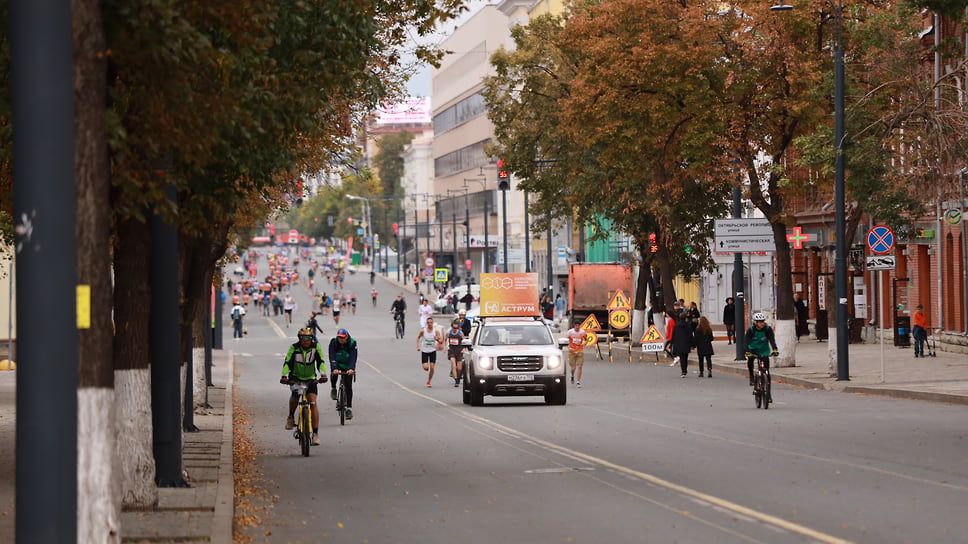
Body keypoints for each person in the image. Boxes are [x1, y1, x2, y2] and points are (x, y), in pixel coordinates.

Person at [281, 328, 327, 446]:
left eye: (308, 338)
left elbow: (320, 362)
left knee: (313, 403)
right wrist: (284, 375)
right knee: (295, 397)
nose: (305, 341)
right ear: (299, 338)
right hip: (296, 378)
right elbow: (287, 362)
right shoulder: (294, 347)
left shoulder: (316, 347)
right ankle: (291, 416)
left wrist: (323, 375)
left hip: (311, 379)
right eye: (303, 338)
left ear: (311, 339)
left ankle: (315, 434)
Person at [745, 312, 778, 396]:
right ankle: (752, 377)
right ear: (755, 323)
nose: (761, 323)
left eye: (762, 321)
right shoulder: (751, 330)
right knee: (750, 360)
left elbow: (772, 340)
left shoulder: (767, 329)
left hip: (764, 350)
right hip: (753, 349)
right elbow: (745, 342)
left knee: (767, 371)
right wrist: (747, 352)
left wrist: (775, 349)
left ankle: (768, 393)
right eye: (759, 322)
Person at [328, 328, 358, 419]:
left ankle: (349, 408)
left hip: (348, 365)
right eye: (339, 337)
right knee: (334, 374)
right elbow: (331, 356)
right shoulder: (333, 342)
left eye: (343, 338)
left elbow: (353, 357)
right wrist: (334, 368)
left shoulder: (352, 343)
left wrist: (351, 369)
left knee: (348, 386)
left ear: (346, 337)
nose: (341, 339)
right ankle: (333, 388)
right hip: (337, 363)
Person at [417, 317, 442, 387]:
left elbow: (441, 341)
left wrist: (437, 339)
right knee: (426, 368)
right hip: (425, 351)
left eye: (431, 322)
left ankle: (429, 381)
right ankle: (426, 368)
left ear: (433, 323)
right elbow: (418, 338)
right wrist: (418, 346)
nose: (430, 324)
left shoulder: (436, 331)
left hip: (432, 351)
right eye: (428, 323)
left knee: (432, 367)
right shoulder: (423, 331)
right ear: (426, 324)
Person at [566, 319, 589, 387]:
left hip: (580, 351)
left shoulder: (582, 332)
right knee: (573, 368)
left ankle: (578, 382)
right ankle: (572, 375)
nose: (577, 327)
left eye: (578, 325)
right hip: (572, 351)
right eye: (576, 325)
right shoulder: (570, 332)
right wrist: (568, 347)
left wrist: (584, 344)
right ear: (574, 326)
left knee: (580, 366)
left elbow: (587, 339)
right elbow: (566, 341)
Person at [670, 311, 694, 377]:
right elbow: (690, 335)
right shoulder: (688, 325)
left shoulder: (676, 326)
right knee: (685, 357)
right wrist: (692, 344)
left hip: (679, 344)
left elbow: (674, 335)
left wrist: (671, 344)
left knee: (681, 358)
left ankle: (683, 371)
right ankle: (685, 370)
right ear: (685, 318)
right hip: (686, 344)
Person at [446, 319, 465, 387]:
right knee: (454, 365)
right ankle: (456, 380)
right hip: (452, 350)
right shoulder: (449, 333)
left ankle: (459, 376)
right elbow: (445, 339)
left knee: (459, 368)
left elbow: (464, 341)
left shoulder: (460, 333)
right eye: (454, 328)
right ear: (451, 327)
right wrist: (445, 347)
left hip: (459, 351)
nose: (455, 329)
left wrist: (464, 348)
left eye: (456, 328)